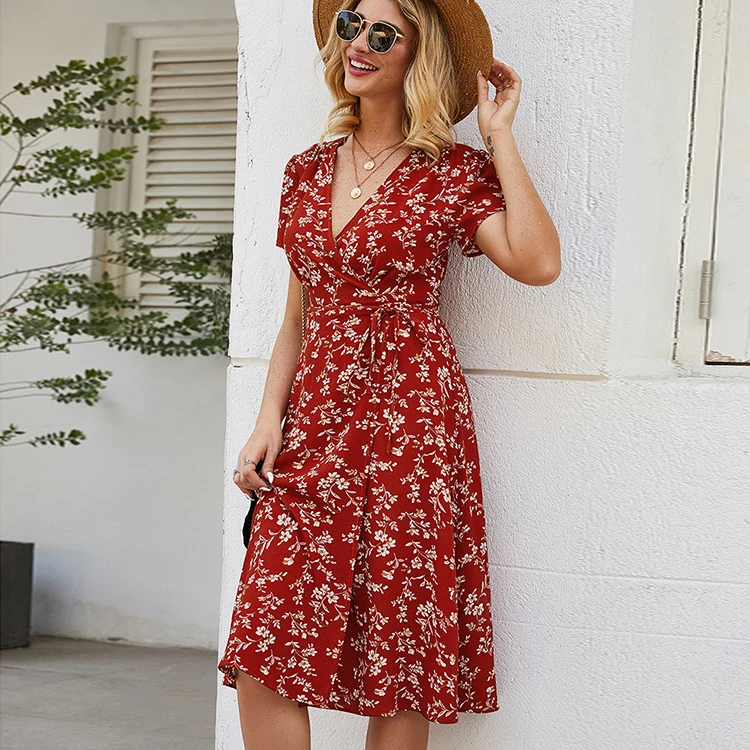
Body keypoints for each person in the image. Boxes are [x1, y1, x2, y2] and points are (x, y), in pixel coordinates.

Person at [219, 0, 560, 747]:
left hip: (412, 422)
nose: (359, 44)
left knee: (400, 644)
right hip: (314, 423)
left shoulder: (452, 172)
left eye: (383, 34)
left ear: (417, 56)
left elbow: (537, 263)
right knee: (265, 645)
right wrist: (268, 420)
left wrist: (500, 137)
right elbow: (298, 319)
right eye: (350, 24)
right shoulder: (305, 171)